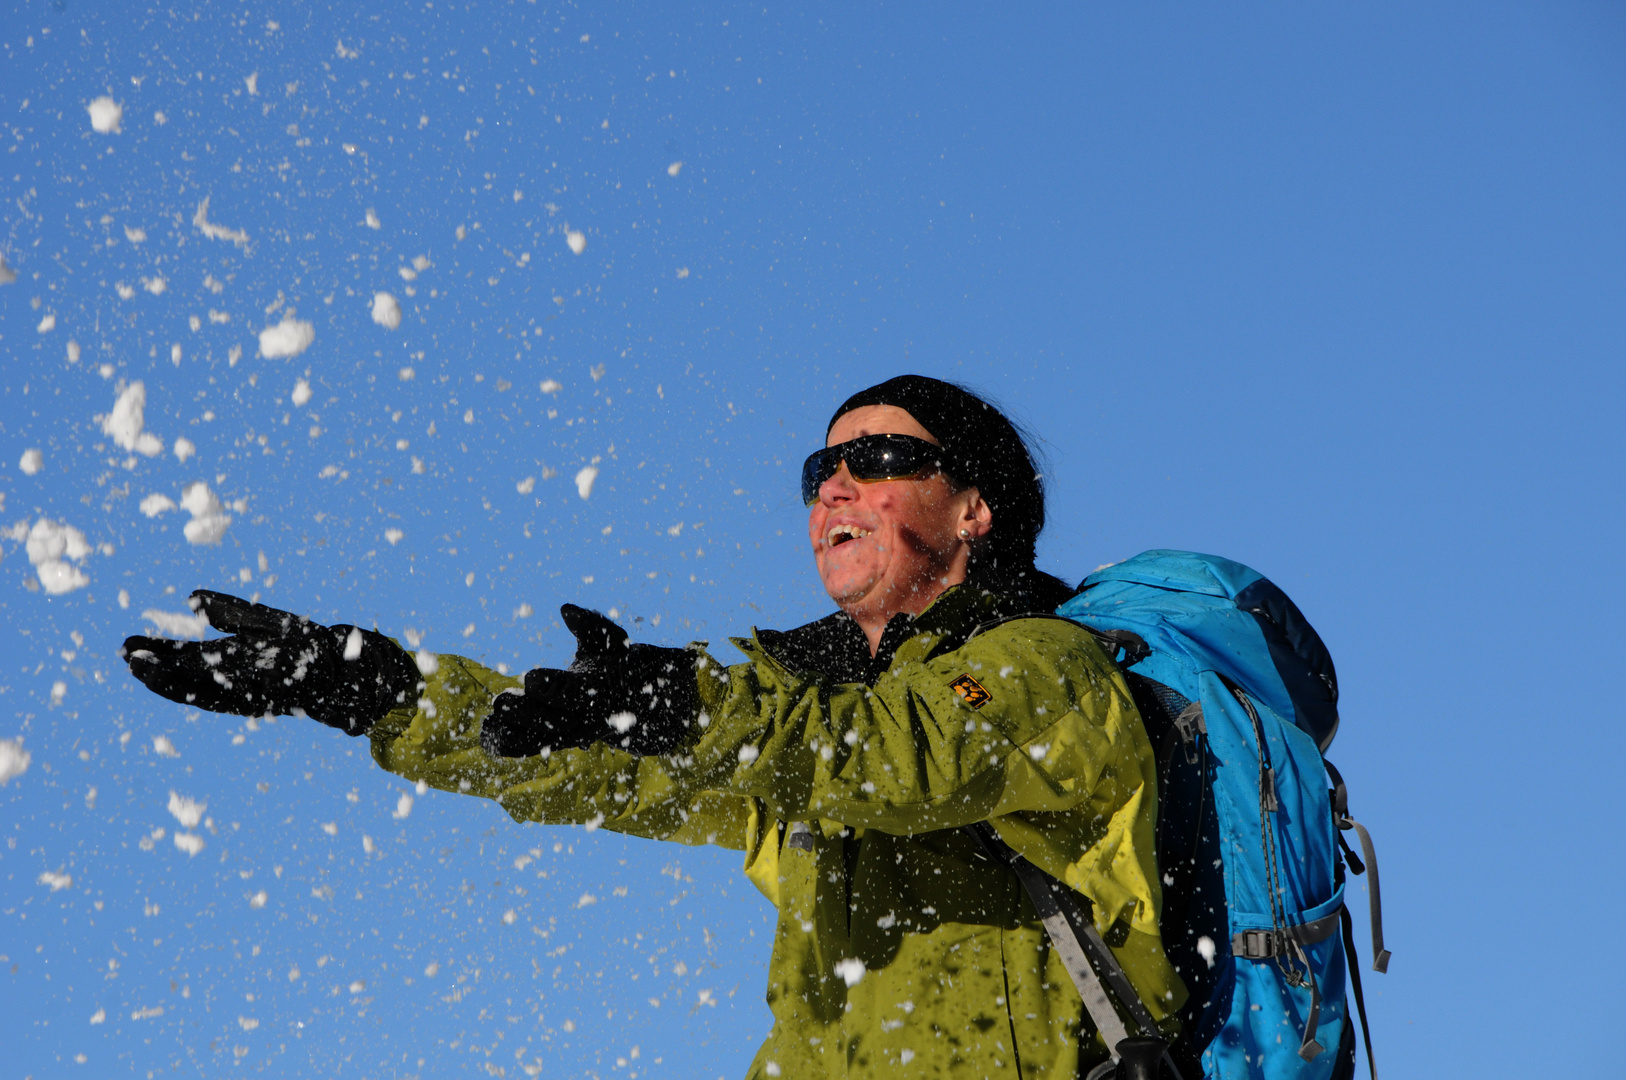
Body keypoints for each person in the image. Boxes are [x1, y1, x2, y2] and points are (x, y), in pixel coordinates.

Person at [123, 374, 1187, 1078]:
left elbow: (888, 759)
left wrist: (681, 698)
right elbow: (594, 771)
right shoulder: (790, 712)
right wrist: (371, 686)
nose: (837, 489)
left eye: (881, 461)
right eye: (821, 473)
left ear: (974, 509)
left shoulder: (1046, 666)